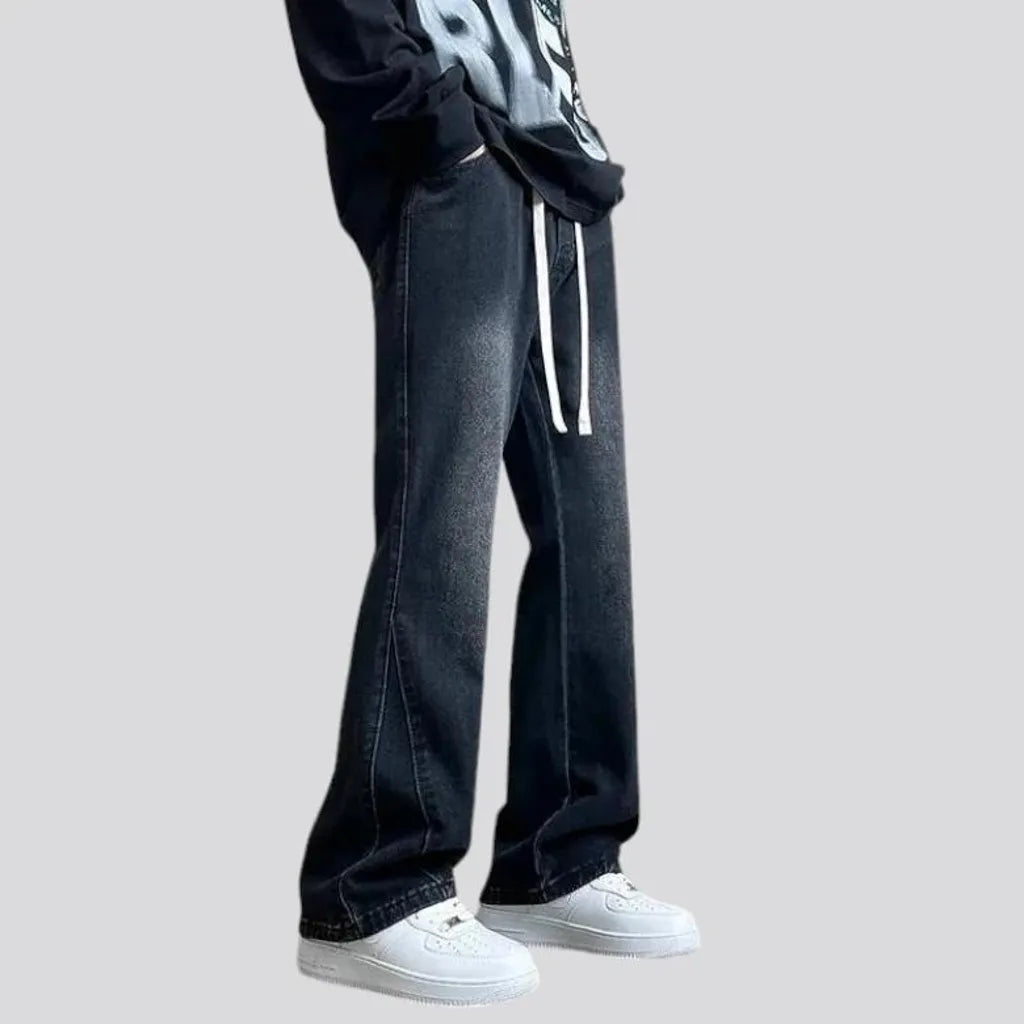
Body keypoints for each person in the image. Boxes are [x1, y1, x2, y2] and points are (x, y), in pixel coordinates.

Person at [284, 0, 699, 1004]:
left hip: (562, 176)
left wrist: (570, 135)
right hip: (456, 169)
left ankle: (563, 853)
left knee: (591, 538)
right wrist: (438, 129)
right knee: (443, 525)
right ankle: (371, 885)